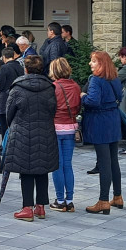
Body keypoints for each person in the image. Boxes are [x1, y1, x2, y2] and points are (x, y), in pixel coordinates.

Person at [5, 55, 58, 221]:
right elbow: (53, 110)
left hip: (23, 131)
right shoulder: (50, 88)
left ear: (25, 69)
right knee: (42, 169)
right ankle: (41, 207)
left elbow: (9, 112)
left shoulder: (18, 88)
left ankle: (27, 207)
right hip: (45, 131)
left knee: (26, 170)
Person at [81, 51, 124, 215]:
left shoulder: (95, 80)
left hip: (100, 122)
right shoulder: (114, 78)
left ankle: (103, 200)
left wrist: (83, 96)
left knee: (104, 162)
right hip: (113, 119)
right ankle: (118, 196)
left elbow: (93, 101)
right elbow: (120, 95)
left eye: (93, 61)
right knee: (113, 160)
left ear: (101, 64)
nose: (90, 64)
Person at [49, 57, 82, 212]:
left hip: (55, 128)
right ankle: (70, 200)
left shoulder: (53, 87)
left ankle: (60, 199)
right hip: (70, 128)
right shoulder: (75, 86)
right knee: (68, 165)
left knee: (58, 165)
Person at [0, 47, 23, 140]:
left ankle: (5, 146)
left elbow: (0, 85)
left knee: (4, 126)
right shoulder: (20, 67)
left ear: (4, 57)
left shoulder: (4, 67)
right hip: (18, 97)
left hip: (5, 99)